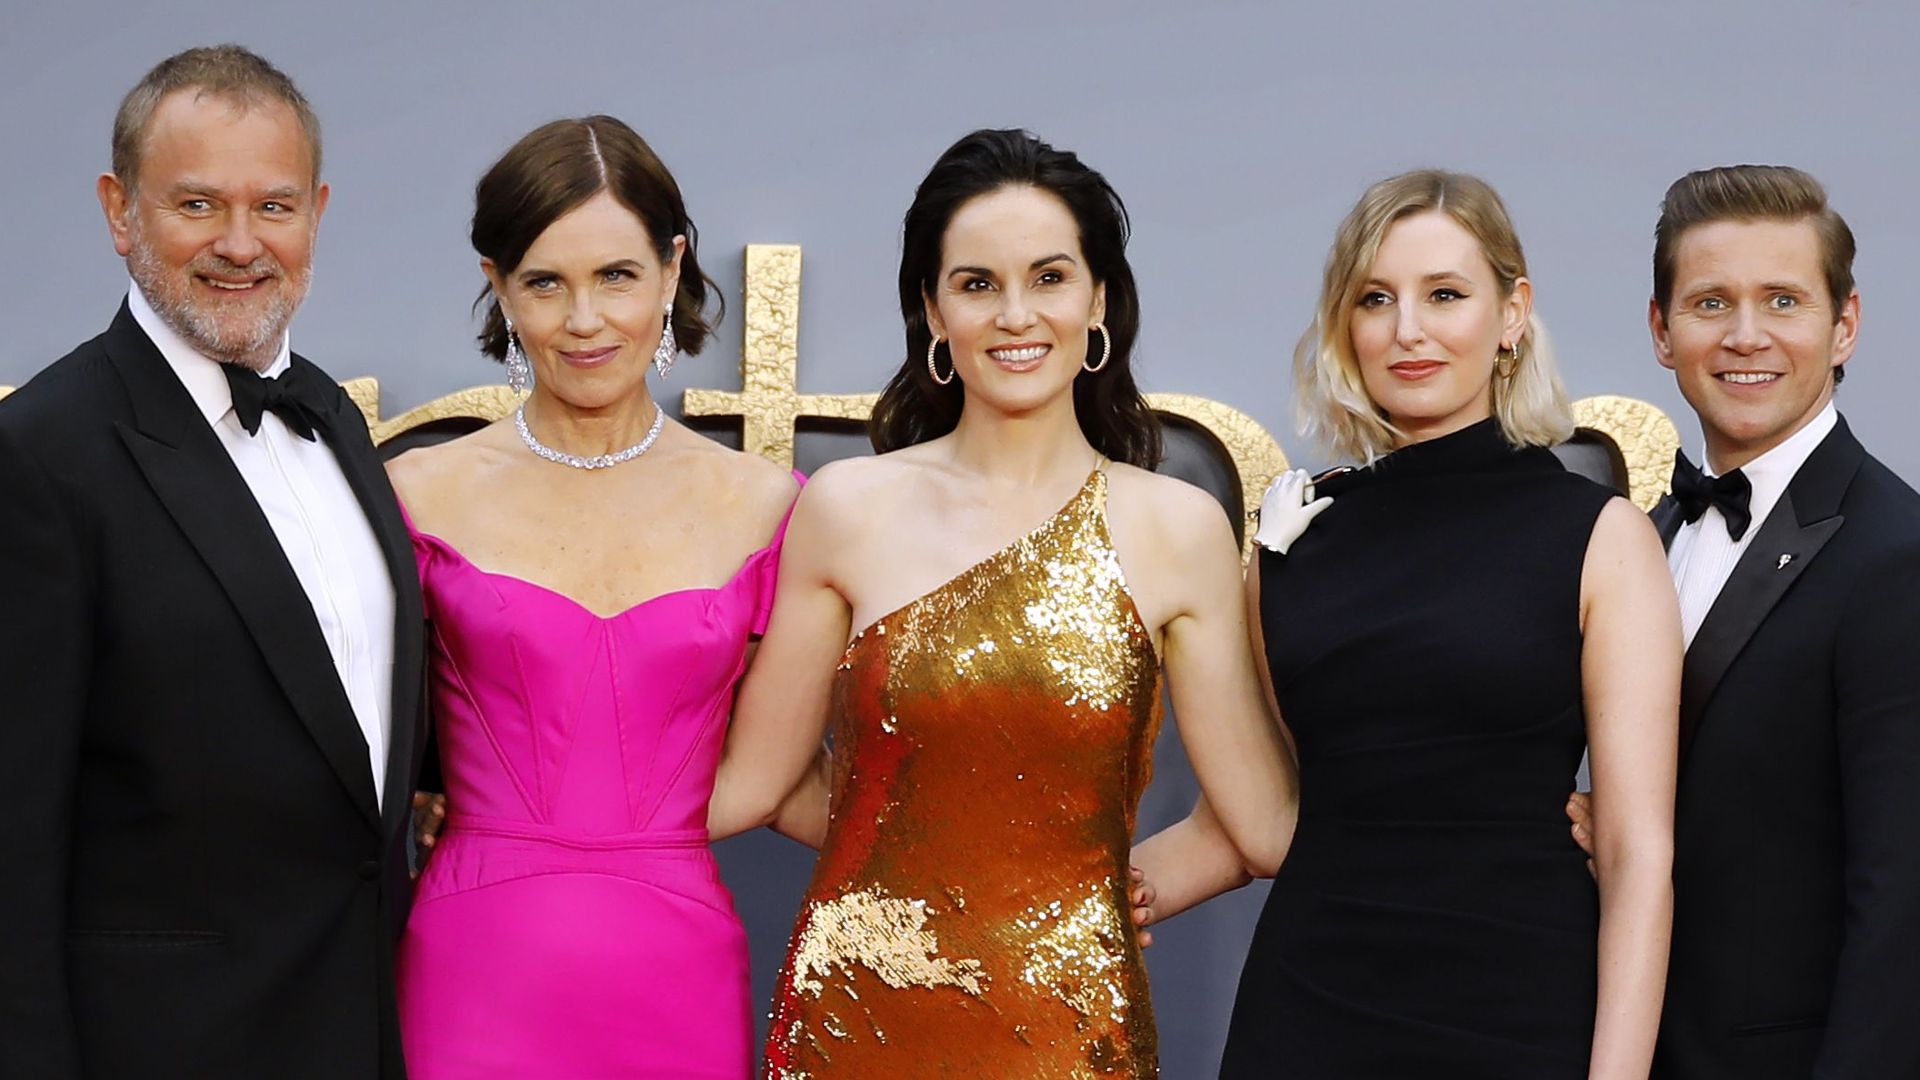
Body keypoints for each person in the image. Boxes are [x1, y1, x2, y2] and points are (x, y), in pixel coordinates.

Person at [702, 128, 1297, 1078]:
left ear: (1098, 299)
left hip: (1068, 1028)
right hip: (856, 1020)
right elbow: (762, 780)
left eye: (1049, 277)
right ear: (933, 310)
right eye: (977, 284)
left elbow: (1264, 825)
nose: (1016, 314)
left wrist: (1100, 892)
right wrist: (496, 803)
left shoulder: (1177, 528)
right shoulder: (849, 510)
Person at [1148, 170, 1680, 1078]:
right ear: (1343, 323)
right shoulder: (1289, 546)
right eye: (1376, 299)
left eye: (1445, 295)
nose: (1408, 331)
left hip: (1519, 1005)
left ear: (1512, 313)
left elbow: (1636, 853)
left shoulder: (1600, 537)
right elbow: (1255, 821)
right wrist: (1046, 902)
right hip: (1309, 1007)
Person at [0, 45, 425, 1078]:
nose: (241, 245)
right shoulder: (41, 453)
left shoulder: (333, 418)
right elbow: (10, 838)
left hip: (366, 1024)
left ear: (317, 211)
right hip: (161, 1043)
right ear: (119, 211)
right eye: (197, 205)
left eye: (274, 207)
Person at [384, 116, 813, 1078]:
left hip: (676, 969)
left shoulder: (767, 507)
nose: (584, 321)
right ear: (498, 284)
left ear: (672, 269)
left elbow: (802, 780)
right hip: (472, 961)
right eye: (545, 282)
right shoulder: (416, 493)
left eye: (616, 276)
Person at [1571, 164, 1920, 1079]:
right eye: (1711, 302)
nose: (1746, 336)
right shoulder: (1644, 538)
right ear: (1661, 329)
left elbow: (1903, 907)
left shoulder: (1899, 554)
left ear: (1844, 325)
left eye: (1783, 301)